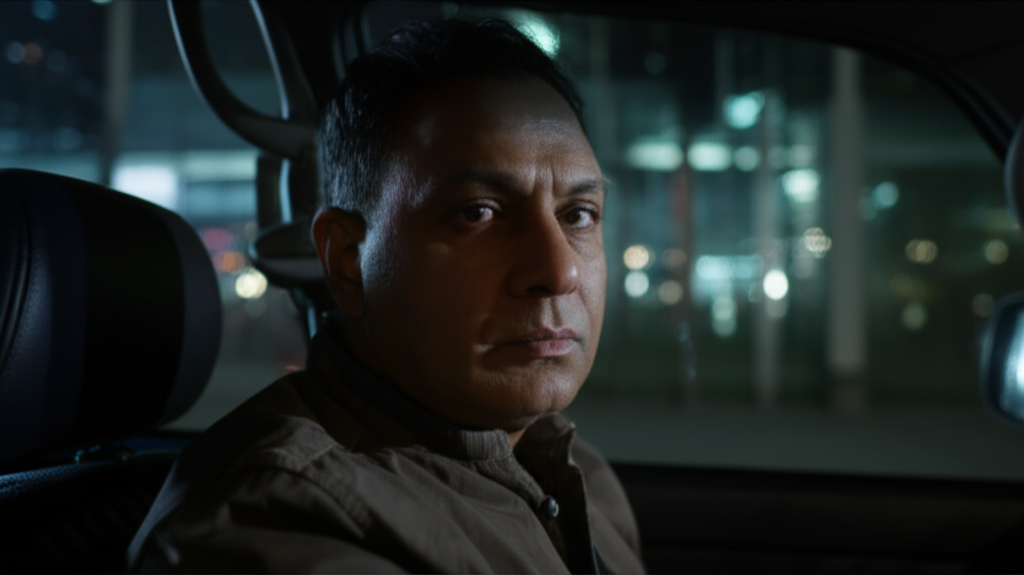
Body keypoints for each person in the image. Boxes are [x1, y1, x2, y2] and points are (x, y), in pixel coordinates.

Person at [129, 18, 644, 574]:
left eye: (579, 215)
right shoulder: (280, 516)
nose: (560, 270)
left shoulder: (570, 469)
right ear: (349, 261)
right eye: (478, 213)